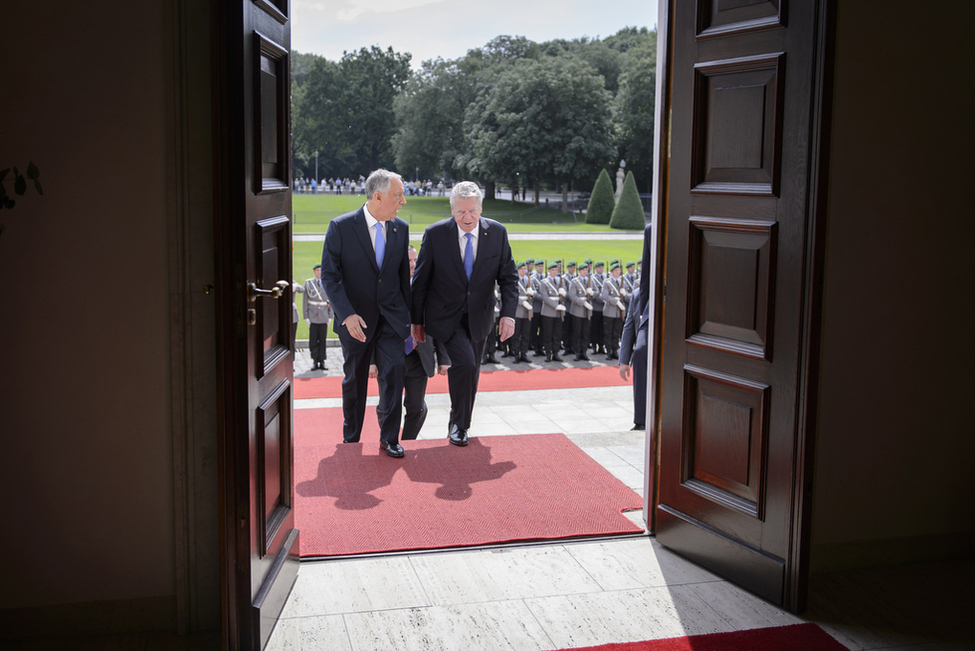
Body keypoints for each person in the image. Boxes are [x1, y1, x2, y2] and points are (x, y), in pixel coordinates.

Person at [411, 181, 518, 447]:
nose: (467, 217)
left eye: (472, 210)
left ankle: (458, 421)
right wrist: (417, 322)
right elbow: (420, 281)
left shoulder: (497, 233)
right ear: (452, 209)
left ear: (480, 208)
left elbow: (509, 278)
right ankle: (460, 425)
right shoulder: (435, 234)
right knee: (466, 363)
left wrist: (508, 315)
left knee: (472, 372)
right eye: (460, 212)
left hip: (480, 317)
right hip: (445, 317)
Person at [321, 168, 412, 458]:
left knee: (395, 373)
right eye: (398, 195)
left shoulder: (401, 228)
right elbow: (330, 278)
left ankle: (389, 439)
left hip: (391, 320)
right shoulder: (341, 227)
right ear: (378, 196)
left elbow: (401, 280)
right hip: (356, 322)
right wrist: (346, 315)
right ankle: (352, 438)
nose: (403, 202)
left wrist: (408, 319)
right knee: (355, 381)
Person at [372, 245, 451, 441]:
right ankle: (389, 440)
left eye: (415, 260)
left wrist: (443, 358)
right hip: (389, 357)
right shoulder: (382, 288)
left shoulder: (428, 287)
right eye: (408, 261)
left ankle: (408, 441)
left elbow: (437, 323)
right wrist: (371, 361)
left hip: (418, 357)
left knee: (417, 407)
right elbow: (373, 328)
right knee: (387, 406)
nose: (413, 264)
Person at [619, 286, 649, 431]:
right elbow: (629, 326)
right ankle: (641, 420)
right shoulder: (637, 294)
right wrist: (624, 360)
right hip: (643, 353)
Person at [303, 263, 333, 370]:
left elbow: (331, 300)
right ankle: (315, 360)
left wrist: (330, 316)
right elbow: (305, 301)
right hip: (313, 315)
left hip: (324, 314)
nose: (319, 273)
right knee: (313, 340)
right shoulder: (308, 283)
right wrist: (306, 317)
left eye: (320, 270)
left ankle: (322, 360)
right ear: (314, 272)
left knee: (322, 339)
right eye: (317, 270)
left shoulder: (327, 282)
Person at [539, 261, 565, 362]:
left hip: (559, 313)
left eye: (555, 270)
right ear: (549, 271)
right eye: (552, 270)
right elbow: (545, 298)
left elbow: (565, 295)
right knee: (548, 334)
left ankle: (555, 353)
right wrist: (556, 306)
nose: (554, 271)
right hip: (548, 311)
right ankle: (548, 353)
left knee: (557, 334)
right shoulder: (544, 282)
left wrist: (564, 293)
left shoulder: (560, 281)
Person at [600, 262, 627, 359]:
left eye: (619, 270)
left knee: (617, 332)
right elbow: (605, 296)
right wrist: (616, 302)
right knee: (608, 332)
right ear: (612, 272)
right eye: (616, 270)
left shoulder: (622, 282)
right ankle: (608, 351)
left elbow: (627, 297)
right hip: (610, 311)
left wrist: (625, 294)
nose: (618, 272)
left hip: (619, 312)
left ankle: (615, 350)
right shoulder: (607, 282)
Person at [567, 262, 593, 361]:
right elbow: (572, 296)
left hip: (587, 311)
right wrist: (583, 303)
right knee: (577, 332)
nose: (585, 272)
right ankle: (577, 352)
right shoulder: (574, 281)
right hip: (577, 310)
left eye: (586, 270)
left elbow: (597, 292)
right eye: (583, 270)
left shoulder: (589, 280)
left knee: (585, 333)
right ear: (579, 271)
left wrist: (593, 293)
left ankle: (584, 351)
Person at [512, 261, 534, 363]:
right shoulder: (514, 280)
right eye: (522, 269)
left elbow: (534, 292)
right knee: (517, 334)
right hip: (519, 310)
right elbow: (513, 295)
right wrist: (522, 302)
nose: (524, 271)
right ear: (517, 270)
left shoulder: (529, 280)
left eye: (525, 269)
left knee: (526, 334)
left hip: (527, 311)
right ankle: (516, 353)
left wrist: (532, 293)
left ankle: (524, 353)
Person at [589, 260, 606, 355]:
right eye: (599, 267)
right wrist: (603, 300)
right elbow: (593, 293)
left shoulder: (606, 277)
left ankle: (601, 346)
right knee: (594, 328)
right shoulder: (592, 279)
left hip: (604, 308)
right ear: (595, 268)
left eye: (602, 267)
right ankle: (594, 346)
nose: (601, 269)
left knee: (602, 328)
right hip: (596, 306)